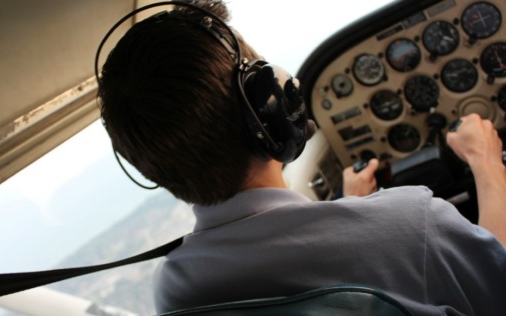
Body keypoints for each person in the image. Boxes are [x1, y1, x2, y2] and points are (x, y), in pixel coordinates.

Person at [97, 1, 506, 315]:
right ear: (268, 107)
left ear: (151, 167)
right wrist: (486, 162)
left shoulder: (175, 292)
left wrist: (354, 209)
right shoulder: (414, 224)